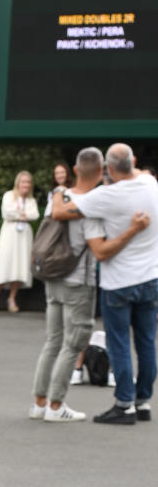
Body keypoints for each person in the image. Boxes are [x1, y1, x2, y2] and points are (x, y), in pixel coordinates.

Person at [29, 147, 151, 424]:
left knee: (52, 341)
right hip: (79, 281)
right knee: (74, 343)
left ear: (74, 170)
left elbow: (57, 214)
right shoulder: (93, 206)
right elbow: (100, 249)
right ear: (101, 171)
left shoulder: (56, 199)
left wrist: (60, 190)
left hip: (52, 277)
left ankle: (39, 402)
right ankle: (56, 404)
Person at [0, 172, 39, 312]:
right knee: (5, 262)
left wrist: (21, 214)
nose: (26, 185)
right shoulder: (9, 195)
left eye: (28, 182)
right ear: (18, 182)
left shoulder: (31, 200)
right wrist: (23, 214)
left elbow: (34, 215)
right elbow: (7, 213)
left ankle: (12, 298)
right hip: (10, 233)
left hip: (23, 235)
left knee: (20, 264)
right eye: (23, 182)